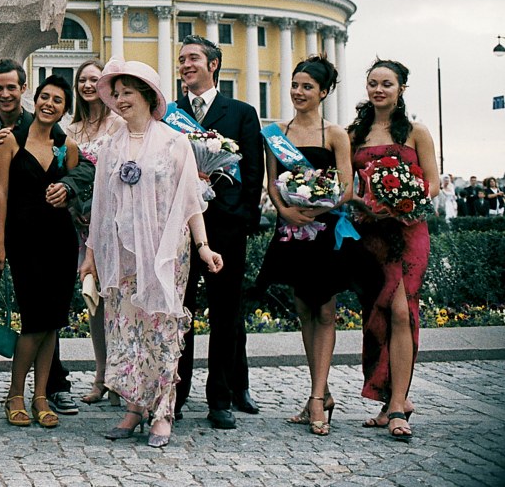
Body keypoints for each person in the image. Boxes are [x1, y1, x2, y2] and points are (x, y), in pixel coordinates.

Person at [79, 60, 220, 449]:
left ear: (148, 96)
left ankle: (162, 410)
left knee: (160, 329)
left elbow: (190, 200)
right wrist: (91, 255)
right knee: (125, 330)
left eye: (128, 93)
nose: (121, 100)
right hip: (121, 255)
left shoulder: (175, 142)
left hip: (165, 254)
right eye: (117, 93)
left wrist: (204, 246)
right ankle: (134, 406)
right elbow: (101, 204)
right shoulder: (111, 146)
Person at [0, 60, 78, 416]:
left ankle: (51, 389)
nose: (6, 94)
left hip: (53, 236)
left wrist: (70, 191)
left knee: (47, 314)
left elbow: (77, 176)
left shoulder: (55, 136)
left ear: (23, 88)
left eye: (12, 87)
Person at [255, 55, 354, 435]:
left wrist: (318, 206)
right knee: (302, 309)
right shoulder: (277, 132)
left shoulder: (335, 134)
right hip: (293, 230)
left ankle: (316, 400)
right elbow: (272, 183)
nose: (298, 92)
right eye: (295, 85)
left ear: (324, 92)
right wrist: (287, 211)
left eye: (307, 87)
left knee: (325, 311)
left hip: (325, 231)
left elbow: (345, 186)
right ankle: (321, 391)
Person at [173, 35, 264, 428]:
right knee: (180, 313)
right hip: (178, 228)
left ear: (213, 65)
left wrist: (239, 217)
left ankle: (221, 398)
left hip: (225, 227)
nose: (185, 65)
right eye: (181, 60)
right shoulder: (170, 113)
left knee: (226, 315)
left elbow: (253, 173)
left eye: (193, 58)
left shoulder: (240, 112)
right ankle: (175, 394)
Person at [347, 58, 438, 442]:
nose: (379, 89)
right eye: (373, 83)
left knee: (402, 311)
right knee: (379, 314)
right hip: (372, 233)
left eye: (387, 83)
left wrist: (405, 202)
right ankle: (388, 398)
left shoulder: (417, 132)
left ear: (401, 88)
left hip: (409, 229)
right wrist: (363, 205)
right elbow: (348, 186)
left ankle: (399, 404)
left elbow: (431, 183)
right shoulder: (356, 134)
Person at [0, 75, 81, 429]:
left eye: (57, 100)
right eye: (45, 97)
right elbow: (0, 194)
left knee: (52, 321)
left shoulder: (67, 147)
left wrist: (70, 195)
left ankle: (40, 395)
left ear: (64, 109)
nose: (49, 104)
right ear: (35, 99)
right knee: (33, 321)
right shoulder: (9, 141)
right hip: (24, 241)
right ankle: (14, 393)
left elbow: (76, 191)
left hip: (60, 240)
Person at [65, 58, 124, 405]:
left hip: (115, 224)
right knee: (94, 303)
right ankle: (101, 375)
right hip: (80, 227)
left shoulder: (118, 125)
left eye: (94, 80)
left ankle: (121, 376)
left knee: (119, 301)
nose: (88, 86)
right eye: (83, 81)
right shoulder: (70, 129)